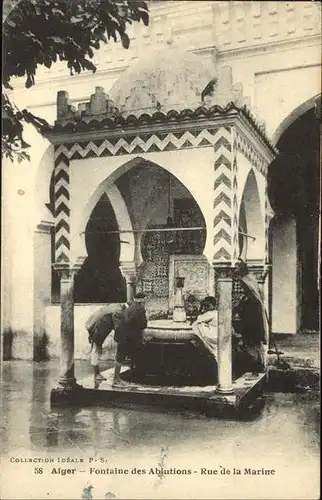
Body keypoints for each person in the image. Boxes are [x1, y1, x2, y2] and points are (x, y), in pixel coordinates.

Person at [233, 260, 268, 375]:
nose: (243, 288)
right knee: (249, 347)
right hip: (248, 327)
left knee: (253, 347)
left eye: (244, 286)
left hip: (252, 328)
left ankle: (257, 366)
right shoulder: (246, 299)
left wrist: (240, 310)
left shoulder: (253, 301)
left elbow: (250, 316)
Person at [113, 292, 148, 386]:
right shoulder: (140, 308)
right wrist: (144, 338)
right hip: (129, 337)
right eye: (145, 298)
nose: (145, 300)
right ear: (140, 299)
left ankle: (117, 378)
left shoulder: (130, 307)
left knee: (120, 357)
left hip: (121, 335)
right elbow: (142, 325)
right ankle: (116, 380)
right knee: (129, 357)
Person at [86, 303, 127, 381]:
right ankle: (97, 374)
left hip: (92, 324)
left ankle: (96, 374)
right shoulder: (118, 311)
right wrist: (119, 339)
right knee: (97, 350)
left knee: (96, 349)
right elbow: (117, 327)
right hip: (98, 329)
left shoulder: (114, 306)